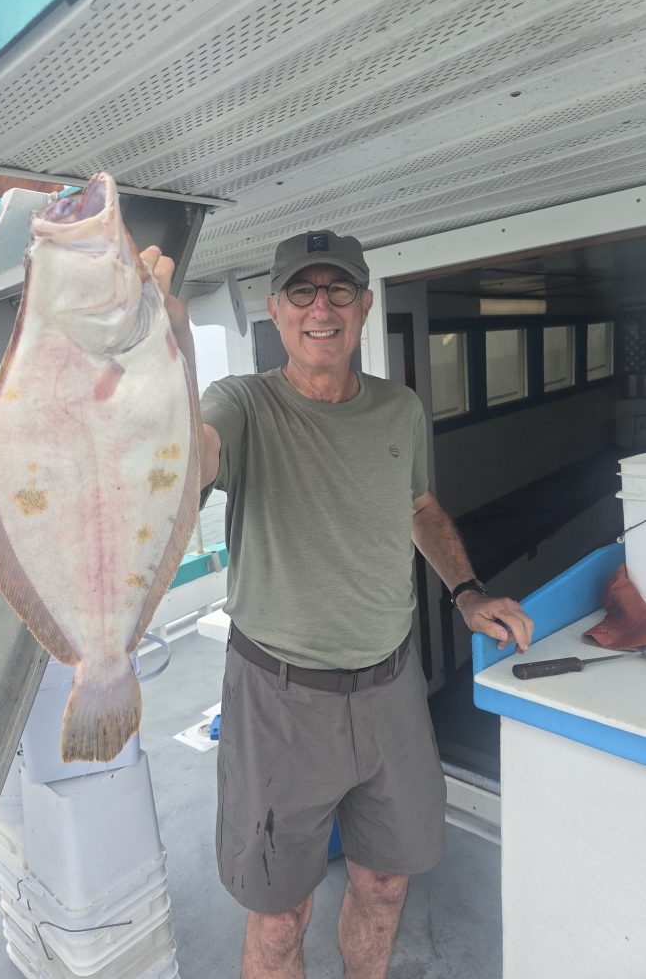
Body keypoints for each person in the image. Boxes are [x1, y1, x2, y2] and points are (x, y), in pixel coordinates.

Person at [141, 231, 533, 979]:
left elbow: (417, 505)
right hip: (279, 703)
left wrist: (467, 590)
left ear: (363, 305)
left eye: (339, 290)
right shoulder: (244, 404)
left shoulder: (400, 408)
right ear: (276, 310)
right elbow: (188, 459)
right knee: (282, 918)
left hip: (391, 690)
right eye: (302, 291)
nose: (321, 307)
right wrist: (168, 350)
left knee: (385, 883)